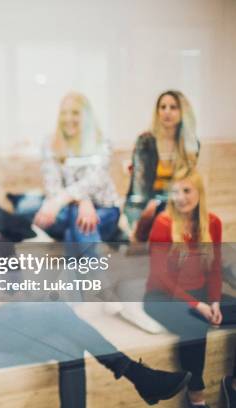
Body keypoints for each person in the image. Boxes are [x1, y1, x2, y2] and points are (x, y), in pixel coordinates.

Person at [0, 233, 192, 408]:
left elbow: (15, 287)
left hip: (14, 319)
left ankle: (137, 375)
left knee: (68, 346)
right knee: (57, 310)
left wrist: (19, 296)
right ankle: (137, 374)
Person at [143, 169, 236, 408]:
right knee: (195, 324)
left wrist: (214, 301)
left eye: (187, 190)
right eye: (175, 191)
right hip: (161, 297)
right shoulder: (163, 224)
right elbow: (161, 277)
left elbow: (214, 268)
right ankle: (197, 396)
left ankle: (233, 385)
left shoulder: (212, 223)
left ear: (199, 193)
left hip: (201, 294)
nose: (181, 197)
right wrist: (198, 306)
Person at [32, 92, 121, 248]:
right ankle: (93, 265)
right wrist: (82, 201)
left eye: (75, 113)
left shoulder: (102, 142)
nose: (68, 119)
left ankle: (85, 268)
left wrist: (78, 201)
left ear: (86, 115)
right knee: (33, 211)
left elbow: (96, 180)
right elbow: (52, 185)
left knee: (78, 224)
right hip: (65, 208)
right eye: (64, 113)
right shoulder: (50, 143)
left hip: (104, 208)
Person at [124, 90, 199, 242]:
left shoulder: (192, 144)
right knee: (162, 216)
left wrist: (172, 200)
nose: (167, 112)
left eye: (173, 107)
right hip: (145, 203)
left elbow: (188, 183)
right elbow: (140, 188)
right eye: (162, 107)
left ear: (183, 111)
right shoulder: (145, 141)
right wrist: (158, 202)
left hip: (176, 200)